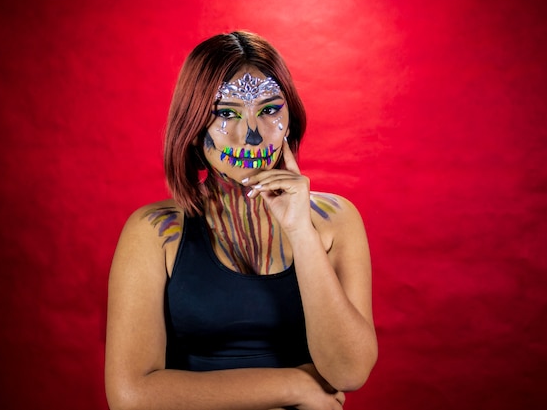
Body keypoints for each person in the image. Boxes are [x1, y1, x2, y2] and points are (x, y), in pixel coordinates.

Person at [105, 31, 377, 410]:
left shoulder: (335, 220)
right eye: (227, 113)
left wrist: (300, 230)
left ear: (290, 119)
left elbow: (350, 372)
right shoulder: (155, 232)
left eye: (269, 110)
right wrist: (294, 385)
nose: (251, 135)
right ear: (194, 127)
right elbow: (131, 397)